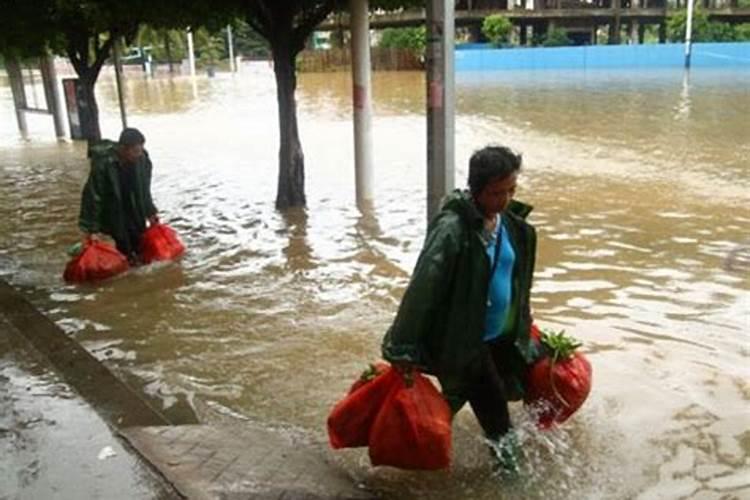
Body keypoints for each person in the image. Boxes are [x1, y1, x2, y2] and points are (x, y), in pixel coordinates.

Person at [381, 145, 539, 472]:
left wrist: (525, 323)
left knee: (449, 401)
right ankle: (513, 483)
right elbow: (423, 287)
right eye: (497, 192)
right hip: (465, 341)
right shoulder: (452, 228)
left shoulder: (511, 225)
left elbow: (515, 282)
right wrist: (402, 347)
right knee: (499, 421)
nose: (506, 199)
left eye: (511, 190)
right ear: (477, 188)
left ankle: (405, 450)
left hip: (497, 338)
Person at [78, 128, 159, 263]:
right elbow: (94, 195)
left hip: (134, 208)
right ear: (123, 149)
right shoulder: (104, 163)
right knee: (123, 247)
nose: (138, 154)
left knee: (141, 246)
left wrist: (150, 211)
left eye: (140, 150)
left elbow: (145, 189)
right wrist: (92, 230)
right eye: (135, 151)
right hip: (114, 210)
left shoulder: (142, 160)